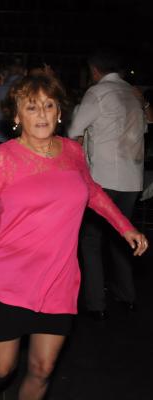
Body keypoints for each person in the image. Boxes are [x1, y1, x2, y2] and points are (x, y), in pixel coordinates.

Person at [0, 72, 148, 399]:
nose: (42, 114)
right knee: (3, 369)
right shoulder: (3, 158)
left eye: (49, 106)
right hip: (8, 278)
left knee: (42, 369)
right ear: (16, 116)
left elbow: (92, 192)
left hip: (58, 277)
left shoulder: (72, 152)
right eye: (32, 107)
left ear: (60, 112)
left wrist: (125, 226)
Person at [68, 48, 148, 319]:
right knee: (122, 236)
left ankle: (96, 303)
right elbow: (144, 128)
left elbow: (73, 130)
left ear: (94, 70)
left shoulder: (98, 93)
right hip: (132, 179)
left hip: (103, 179)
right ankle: (127, 296)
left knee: (91, 240)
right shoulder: (133, 93)